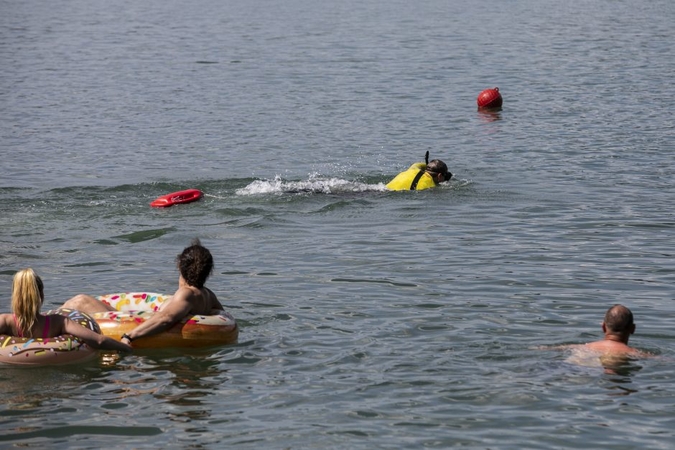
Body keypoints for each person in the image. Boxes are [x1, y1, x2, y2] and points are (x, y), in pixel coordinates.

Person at [62, 238, 224, 346]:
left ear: (180, 266)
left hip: (134, 328)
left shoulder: (187, 294)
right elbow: (221, 314)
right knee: (92, 304)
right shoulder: (207, 294)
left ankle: (48, 325)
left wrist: (129, 336)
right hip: (137, 320)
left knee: (80, 301)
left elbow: (165, 319)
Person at [0, 268, 132, 352]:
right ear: (41, 294)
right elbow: (98, 341)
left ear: (15, 296)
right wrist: (125, 345)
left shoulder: (5, 321)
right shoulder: (58, 322)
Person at [386, 152, 453, 191]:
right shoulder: (430, 186)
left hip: (380, 189)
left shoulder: (413, 169)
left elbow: (417, 164)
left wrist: (428, 166)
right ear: (439, 176)